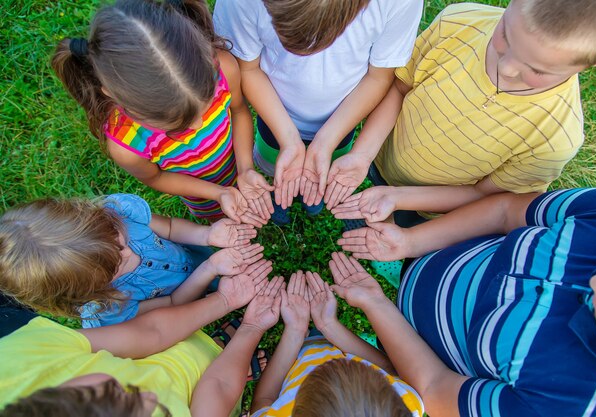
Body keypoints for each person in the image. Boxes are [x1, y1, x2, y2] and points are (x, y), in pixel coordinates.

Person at [328, 0, 596, 224]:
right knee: (374, 181)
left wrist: (399, 199)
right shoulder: (458, 24)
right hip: (380, 154)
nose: (506, 67)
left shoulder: (554, 138)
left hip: (432, 208)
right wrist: (362, 154)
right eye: (505, 36)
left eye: (536, 69)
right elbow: (399, 89)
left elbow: (487, 195)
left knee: (405, 223)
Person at [337, 187, 596, 416]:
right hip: (439, 252)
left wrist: (377, 305)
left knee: (389, 353)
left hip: (422, 349)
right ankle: (404, 271)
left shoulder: (566, 404)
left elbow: (435, 387)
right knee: (409, 266)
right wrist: (411, 242)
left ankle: (384, 341)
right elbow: (505, 211)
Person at [51, 0, 273, 225]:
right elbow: (156, 177)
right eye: (178, 125)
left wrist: (245, 169)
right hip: (201, 195)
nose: (198, 126)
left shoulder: (223, 67)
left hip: (235, 160)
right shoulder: (127, 145)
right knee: (216, 215)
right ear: (113, 95)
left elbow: (238, 111)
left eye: (208, 105)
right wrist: (218, 193)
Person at [213, 0, 423, 224]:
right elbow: (248, 68)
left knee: (323, 172)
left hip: (343, 117)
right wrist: (288, 139)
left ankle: (312, 198)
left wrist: (325, 141)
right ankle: (279, 192)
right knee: (277, 167)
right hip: (273, 113)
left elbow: (379, 76)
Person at [0, 268, 282, 417]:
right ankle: (221, 353)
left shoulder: (15, 357)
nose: (149, 395)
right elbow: (218, 390)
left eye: (119, 386)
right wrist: (252, 326)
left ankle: (217, 350)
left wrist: (224, 301)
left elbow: (149, 333)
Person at [0, 193, 265, 327]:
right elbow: (174, 303)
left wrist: (207, 234)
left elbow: (171, 228)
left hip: (190, 254)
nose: (128, 252)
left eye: (116, 236)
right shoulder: (108, 309)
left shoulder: (116, 211)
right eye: (115, 265)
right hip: (185, 296)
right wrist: (210, 269)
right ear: (87, 291)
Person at [249, 270, 424, 416]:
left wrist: (295, 331)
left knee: (309, 348)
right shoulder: (406, 404)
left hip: (293, 363)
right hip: (337, 343)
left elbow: (263, 399)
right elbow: (388, 367)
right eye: (362, 367)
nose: (331, 361)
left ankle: (310, 340)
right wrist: (329, 325)